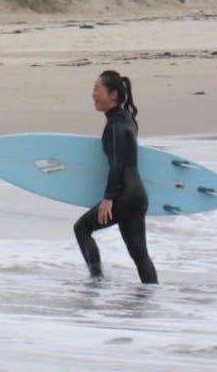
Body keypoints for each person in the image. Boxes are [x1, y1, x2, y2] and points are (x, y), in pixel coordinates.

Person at [73, 70, 158, 284]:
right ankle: (152, 297)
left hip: (124, 196)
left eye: (97, 89)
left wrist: (108, 198)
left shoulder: (114, 125)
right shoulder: (127, 119)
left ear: (113, 95)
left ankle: (96, 281)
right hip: (138, 197)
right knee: (140, 255)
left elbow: (118, 163)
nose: (93, 94)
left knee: (82, 228)